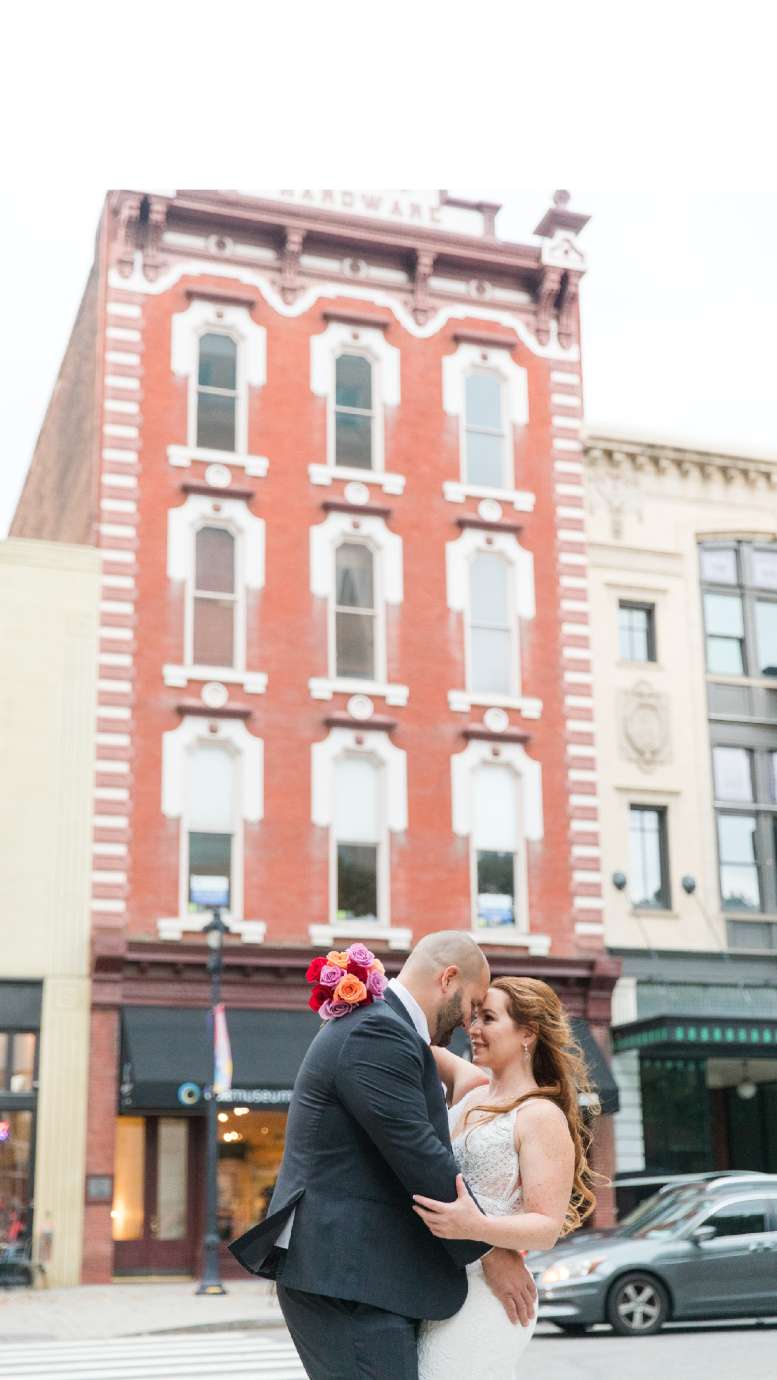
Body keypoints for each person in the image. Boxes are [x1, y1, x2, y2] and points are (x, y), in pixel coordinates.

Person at [229, 932, 537, 1380]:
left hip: (364, 1277)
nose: (468, 1025)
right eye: (472, 1007)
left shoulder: (384, 1028)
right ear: (448, 979)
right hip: (349, 1278)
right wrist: (490, 1249)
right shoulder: (378, 1030)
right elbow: (420, 1157)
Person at [414, 976, 598, 1379]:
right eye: (475, 1016)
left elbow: (545, 1227)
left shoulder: (539, 1116)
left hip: (489, 1297)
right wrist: (363, 991)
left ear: (527, 1033)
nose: (473, 1029)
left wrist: (476, 1230)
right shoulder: (473, 1090)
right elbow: (412, 1041)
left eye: (488, 1019)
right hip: (441, 1285)